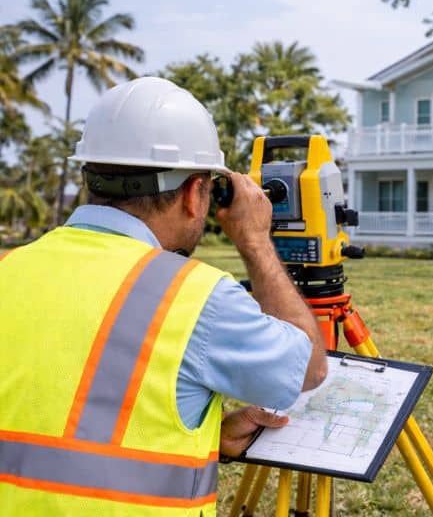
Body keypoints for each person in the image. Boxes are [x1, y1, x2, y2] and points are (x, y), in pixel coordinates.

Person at [0, 76, 328, 515]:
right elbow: (307, 368)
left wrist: (209, 438)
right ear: (195, 194)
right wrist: (254, 240)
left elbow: (44, 428)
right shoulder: (193, 297)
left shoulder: (10, 269)